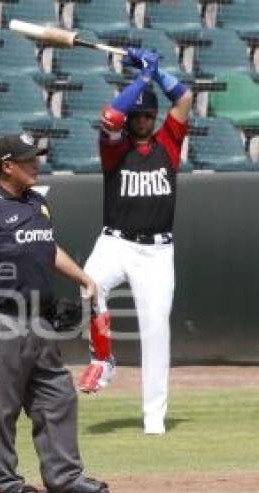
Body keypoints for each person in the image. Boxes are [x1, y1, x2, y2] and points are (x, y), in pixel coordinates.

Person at [0, 132, 109, 493]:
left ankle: (64, 477)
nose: (37, 164)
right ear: (7, 166)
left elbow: (47, 246)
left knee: (58, 396)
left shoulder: (37, 203)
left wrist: (83, 276)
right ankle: (2, 483)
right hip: (2, 319)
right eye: (28, 160)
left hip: (41, 320)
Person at [78, 48, 192, 436]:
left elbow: (185, 98)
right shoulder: (115, 147)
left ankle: (154, 419)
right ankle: (104, 358)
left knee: (156, 329)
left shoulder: (168, 143)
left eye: (148, 114)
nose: (142, 120)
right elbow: (110, 117)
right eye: (138, 115)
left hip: (157, 251)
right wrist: (143, 80)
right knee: (88, 284)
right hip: (116, 242)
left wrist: (159, 76)